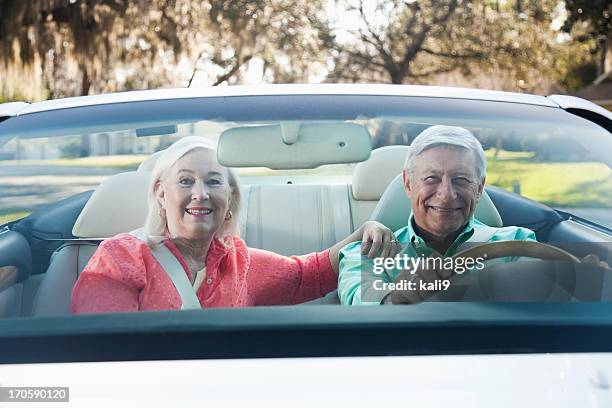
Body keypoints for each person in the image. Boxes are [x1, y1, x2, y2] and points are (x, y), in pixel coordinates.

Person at [71, 137, 400, 313]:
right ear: (160, 193)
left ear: (230, 198)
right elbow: (105, 353)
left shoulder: (238, 262)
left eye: (213, 182)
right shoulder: (120, 258)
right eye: (185, 181)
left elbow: (309, 274)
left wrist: (365, 231)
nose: (200, 194)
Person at [338, 125, 538, 305]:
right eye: (431, 178)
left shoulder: (517, 244)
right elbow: (360, 307)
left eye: (461, 179)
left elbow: (538, 311)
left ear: (479, 188)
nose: (446, 195)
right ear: (408, 184)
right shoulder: (365, 254)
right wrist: (397, 298)